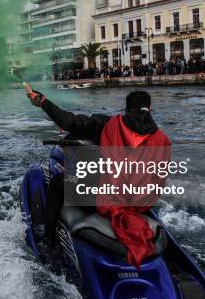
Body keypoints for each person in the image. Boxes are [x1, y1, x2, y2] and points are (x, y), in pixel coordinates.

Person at [24, 84, 171, 267]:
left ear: (126, 110)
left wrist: (42, 101)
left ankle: (49, 241)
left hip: (106, 201)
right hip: (139, 204)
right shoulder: (163, 139)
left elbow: (69, 122)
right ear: (149, 109)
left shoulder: (110, 124)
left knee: (58, 181)